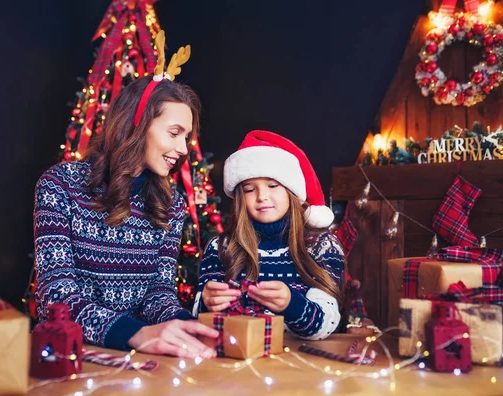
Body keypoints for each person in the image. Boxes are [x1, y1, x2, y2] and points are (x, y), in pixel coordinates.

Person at [34, 32, 218, 358]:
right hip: (68, 355)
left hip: (139, 357)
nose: (181, 148)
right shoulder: (59, 185)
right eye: (174, 133)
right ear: (136, 124)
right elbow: (56, 295)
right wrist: (136, 334)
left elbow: (158, 294)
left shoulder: (171, 203)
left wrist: (185, 327)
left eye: (186, 137)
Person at [194, 130, 344, 340]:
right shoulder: (220, 247)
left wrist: (291, 304)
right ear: (239, 197)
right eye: (249, 190)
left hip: (301, 363)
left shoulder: (321, 245)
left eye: (272, 186)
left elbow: (327, 324)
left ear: (291, 191)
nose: (262, 197)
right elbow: (200, 316)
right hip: (235, 359)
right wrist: (206, 303)